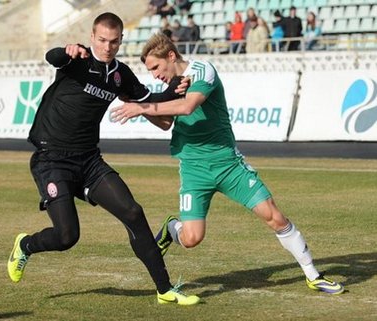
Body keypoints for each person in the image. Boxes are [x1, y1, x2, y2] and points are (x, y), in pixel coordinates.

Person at [110, 33, 345, 295]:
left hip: (228, 164)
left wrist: (143, 109)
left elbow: (188, 107)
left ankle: (314, 275)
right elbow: (165, 123)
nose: (154, 75)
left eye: (155, 67)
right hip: (193, 169)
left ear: (171, 56)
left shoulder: (203, 70)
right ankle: (172, 228)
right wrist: (139, 104)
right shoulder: (174, 85)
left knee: (274, 217)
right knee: (191, 239)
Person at [7, 12, 199, 306]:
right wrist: (66, 49)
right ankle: (25, 245)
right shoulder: (77, 60)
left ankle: (165, 289)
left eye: (113, 41)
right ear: (92, 37)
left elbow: (148, 100)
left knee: (133, 212)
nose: (107, 46)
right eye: (102, 40)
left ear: (121, 40)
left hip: (89, 161)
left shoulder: (121, 74)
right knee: (67, 236)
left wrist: (174, 90)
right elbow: (52, 56)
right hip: (52, 160)